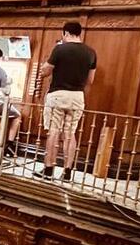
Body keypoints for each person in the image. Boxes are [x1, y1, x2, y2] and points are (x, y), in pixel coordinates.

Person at [36, 21, 97, 181]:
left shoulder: (60, 49)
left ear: (66, 33)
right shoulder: (91, 53)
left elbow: (46, 72)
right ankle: (68, 172)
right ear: (79, 33)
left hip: (58, 94)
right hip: (77, 96)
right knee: (70, 133)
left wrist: (44, 68)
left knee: (54, 131)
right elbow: (90, 80)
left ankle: (49, 169)